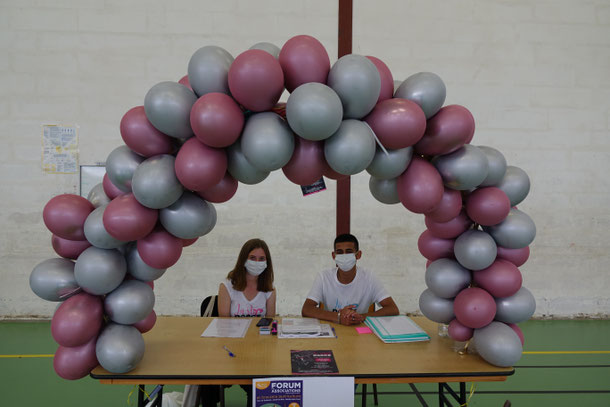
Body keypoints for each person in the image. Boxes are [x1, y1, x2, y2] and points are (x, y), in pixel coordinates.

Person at [198, 238, 276, 407]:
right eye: (253, 258)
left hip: (256, 353)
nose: (257, 262)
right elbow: (224, 325)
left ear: (267, 262)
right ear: (243, 260)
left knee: (257, 385)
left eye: (262, 259)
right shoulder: (227, 286)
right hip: (229, 351)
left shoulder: (269, 289)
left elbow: (269, 324)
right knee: (206, 384)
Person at [301, 233, 399, 325]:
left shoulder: (369, 277)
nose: (344, 256)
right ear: (333, 256)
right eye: (339, 252)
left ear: (358, 255)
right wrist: (339, 317)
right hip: (332, 332)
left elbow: (392, 309)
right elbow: (306, 309)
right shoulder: (323, 277)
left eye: (348, 252)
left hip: (360, 333)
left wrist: (360, 317)